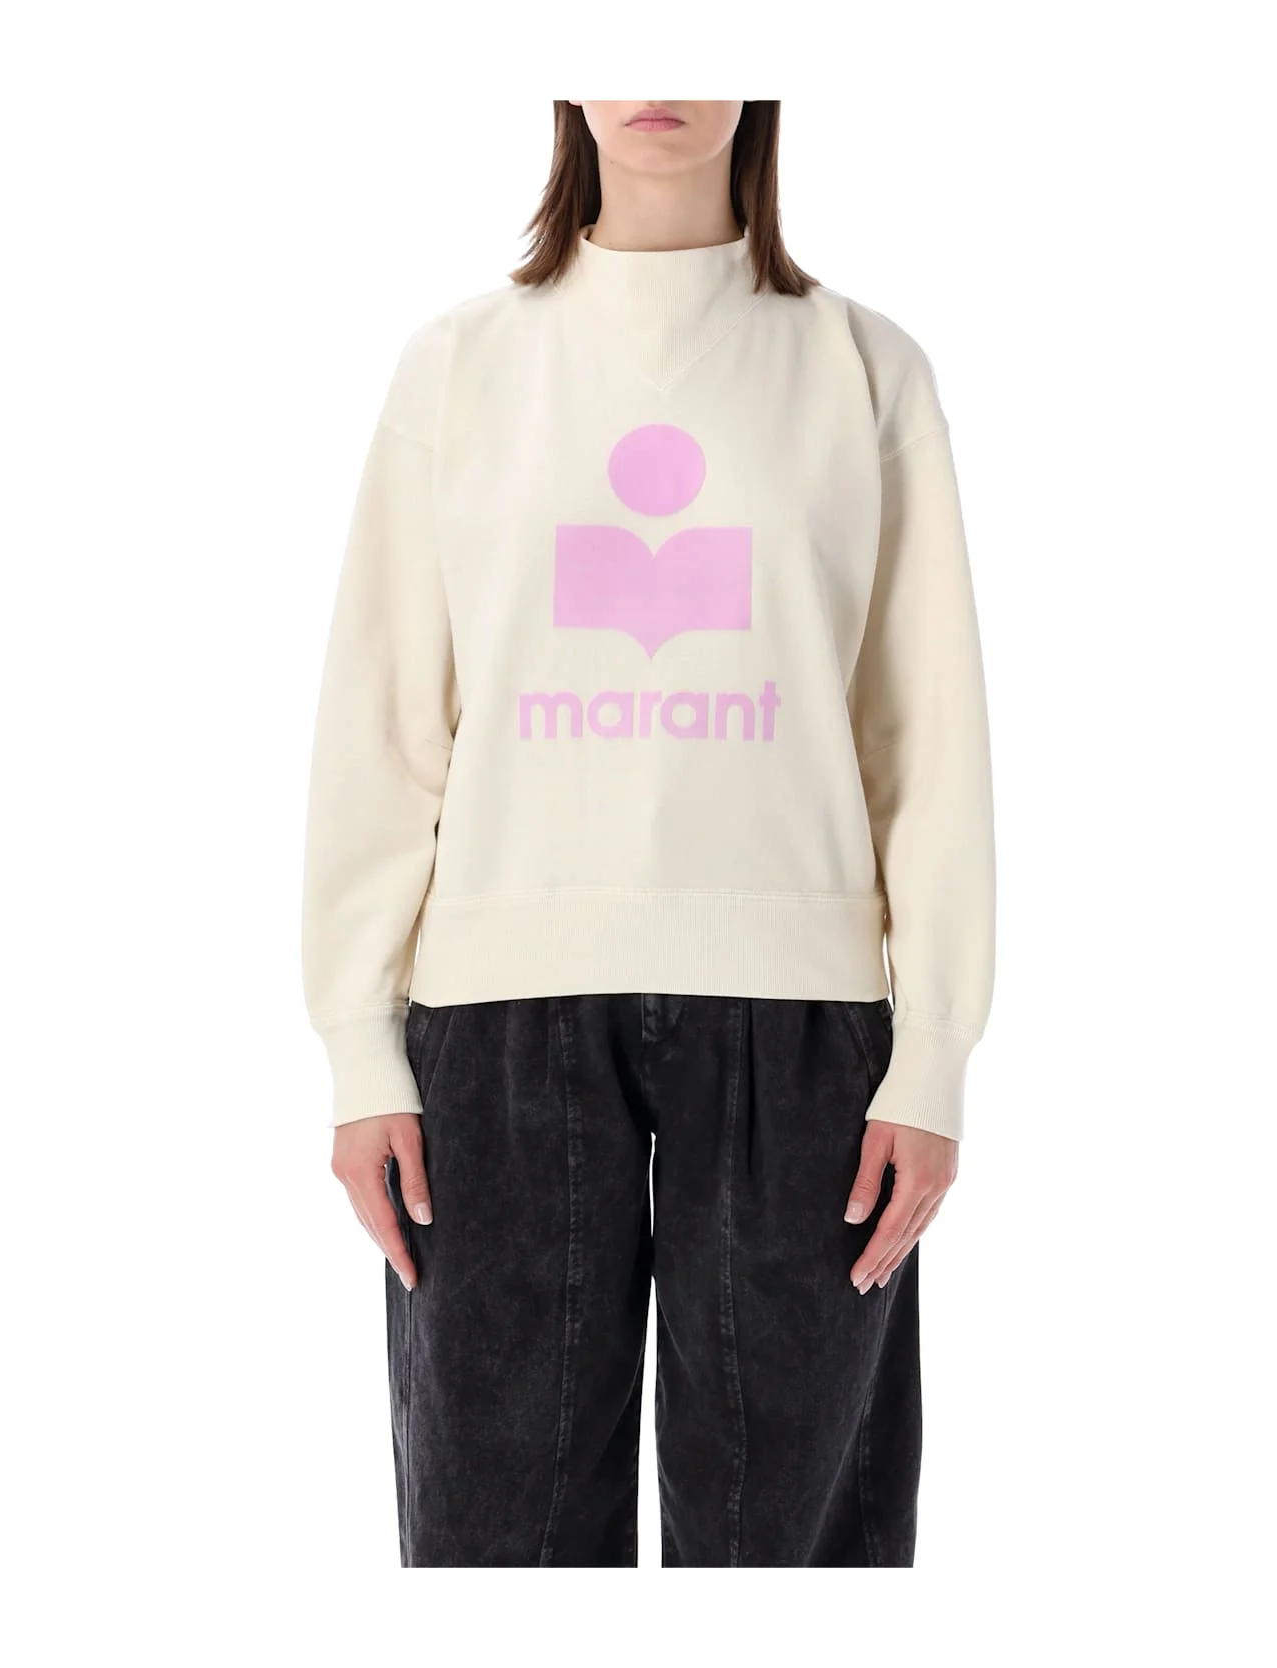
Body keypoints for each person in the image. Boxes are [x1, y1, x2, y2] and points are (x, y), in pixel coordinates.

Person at [300, 99, 995, 1568]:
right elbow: (385, 721)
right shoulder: (460, 367)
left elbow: (924, 738)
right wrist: (360, 1044)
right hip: (498, 1019)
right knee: (496, 1548)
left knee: (796, 1558)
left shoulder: (864, 369)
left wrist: (934, 1050)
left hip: (799, 1021)